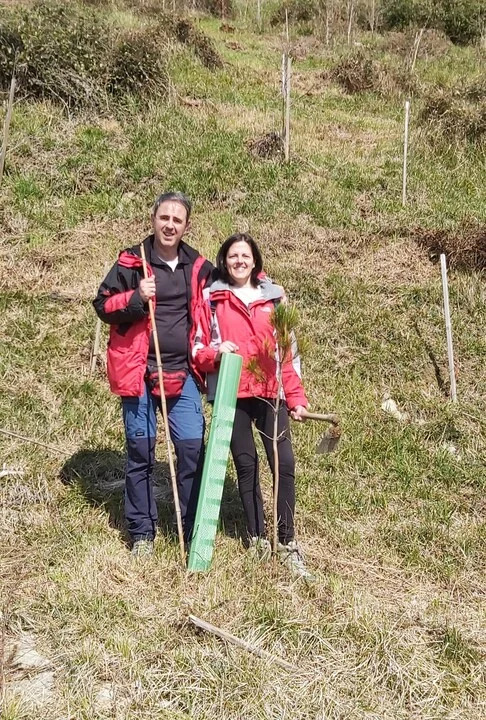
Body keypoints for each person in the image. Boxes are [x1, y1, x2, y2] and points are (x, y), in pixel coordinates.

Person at [93, 191, 214, 557]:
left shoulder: (199, 268)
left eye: (177, 220)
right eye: (164, 217)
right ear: (153, 219)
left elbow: (234, 285)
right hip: (139, 374)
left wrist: (268, 289)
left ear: (186, 226)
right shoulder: (132, 261)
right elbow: (102, 305)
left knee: (191, 450)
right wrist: (135, 298)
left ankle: (192, 530)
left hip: (182, 374)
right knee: (141, 453)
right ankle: (142, 533)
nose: (170, 225)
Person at [193, 232, 314, 581]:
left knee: (284, 463)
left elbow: (288, 355)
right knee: (246, 465)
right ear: (224, 260)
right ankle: (257, 536)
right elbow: (197, 349)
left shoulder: (275, 299)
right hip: (230, 392)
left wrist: (296, 397)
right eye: (233, 256)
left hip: (269, 392)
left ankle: (287, 541)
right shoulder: (211, 298)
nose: (239, 261)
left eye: (245, 255)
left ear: (255, 260)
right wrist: (217, 354)